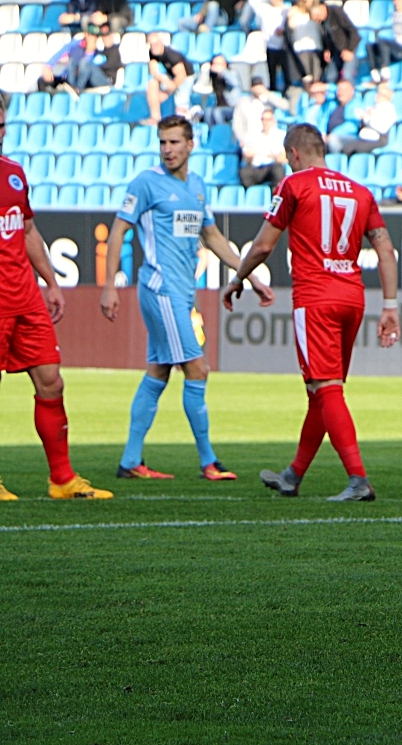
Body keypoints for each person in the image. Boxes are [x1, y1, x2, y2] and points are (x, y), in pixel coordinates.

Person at [222, 123, 401, 501]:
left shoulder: (293, 185)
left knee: (326, 388)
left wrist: (238, 278)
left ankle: (358, 479)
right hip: (353, 298)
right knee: (321, 390)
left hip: (315, 298)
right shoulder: (360, 191)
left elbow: (262, 246)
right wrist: (390, 305)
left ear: (293, 155)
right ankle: (293, 475)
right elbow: (385, 249)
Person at [100, 116, 274, 481]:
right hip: (160, 289)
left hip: (181, 292)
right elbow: (118, 232)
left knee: (159, 372)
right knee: (198, 369)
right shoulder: (146, 183)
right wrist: (110, 286)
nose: (167, 150)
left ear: (190, 145)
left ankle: (131, 461)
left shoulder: (196, 186)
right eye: (163, 143)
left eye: (174, 142)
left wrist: (249, 276)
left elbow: (212, 237)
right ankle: (208, 462)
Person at [0, 106, 113, 502]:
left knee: (52, 381)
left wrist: (50, 282)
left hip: (24, 295)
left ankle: (62, 479)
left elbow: (27, 229)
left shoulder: (13, 173)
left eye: (0, 125)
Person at [41, 20, 121, 93]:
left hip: (88, 78)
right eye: (91, 34)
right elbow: (60, 53)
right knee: (42, 81)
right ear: (86, 34)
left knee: (84, 63)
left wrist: (89, 52)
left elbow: (91, 66)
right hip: (70, 75)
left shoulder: (97, 50)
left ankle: (76, 89)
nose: (93, 38)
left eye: (96, 36)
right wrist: (48, 66)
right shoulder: (76, 44)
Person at [329, 84, 398, 154]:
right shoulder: (375, 108)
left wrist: (366, 117)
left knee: (348, 148)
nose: (376, 96)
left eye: (379, 94)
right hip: (366, 138)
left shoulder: (388, 109)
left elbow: (382, 128)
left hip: (378, 139)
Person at [145, 32, 196, 125]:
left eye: (155, 44)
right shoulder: (152, 52)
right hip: (172, 75)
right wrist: (164, 80)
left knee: (181, 102)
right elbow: (154, 71)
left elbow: (181, 75)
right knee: (152, 84)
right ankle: (155, 118)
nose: (153, 47)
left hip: (186, 77)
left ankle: (186, 122)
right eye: (150, 44)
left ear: (161, 43)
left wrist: (167, 91)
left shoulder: (172, 55)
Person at [310, 1, 360, 84]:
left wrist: (349, 50)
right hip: (336, 50)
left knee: (347, 76)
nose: (318, 22)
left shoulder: (336, 12)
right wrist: (327, 49)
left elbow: (353, 32)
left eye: (318, 18)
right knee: (330, 77)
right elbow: (327, 37)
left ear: (322, 9)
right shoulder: (322, 22)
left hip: (350, 47)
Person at [233, 76, 290, 145]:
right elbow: (237, 124)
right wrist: (242, 139)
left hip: (269, 138)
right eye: (255, 86)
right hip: (250, 139)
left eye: (259, 86)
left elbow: (285, 106)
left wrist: (266, 92)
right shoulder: (243, 102)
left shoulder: (269, 99)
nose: (257, 89)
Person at [240, 108, 288, 188]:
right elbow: (247, 155)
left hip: (272, 167)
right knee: (244, 172)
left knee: (278, 170)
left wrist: (275, 156)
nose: (265, 122)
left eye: (268, 119)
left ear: (273, 121)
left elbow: (284, 158)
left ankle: (275, 197)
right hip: (256, 167)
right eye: (263, 119)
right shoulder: (253, 136)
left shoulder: (281, 135)